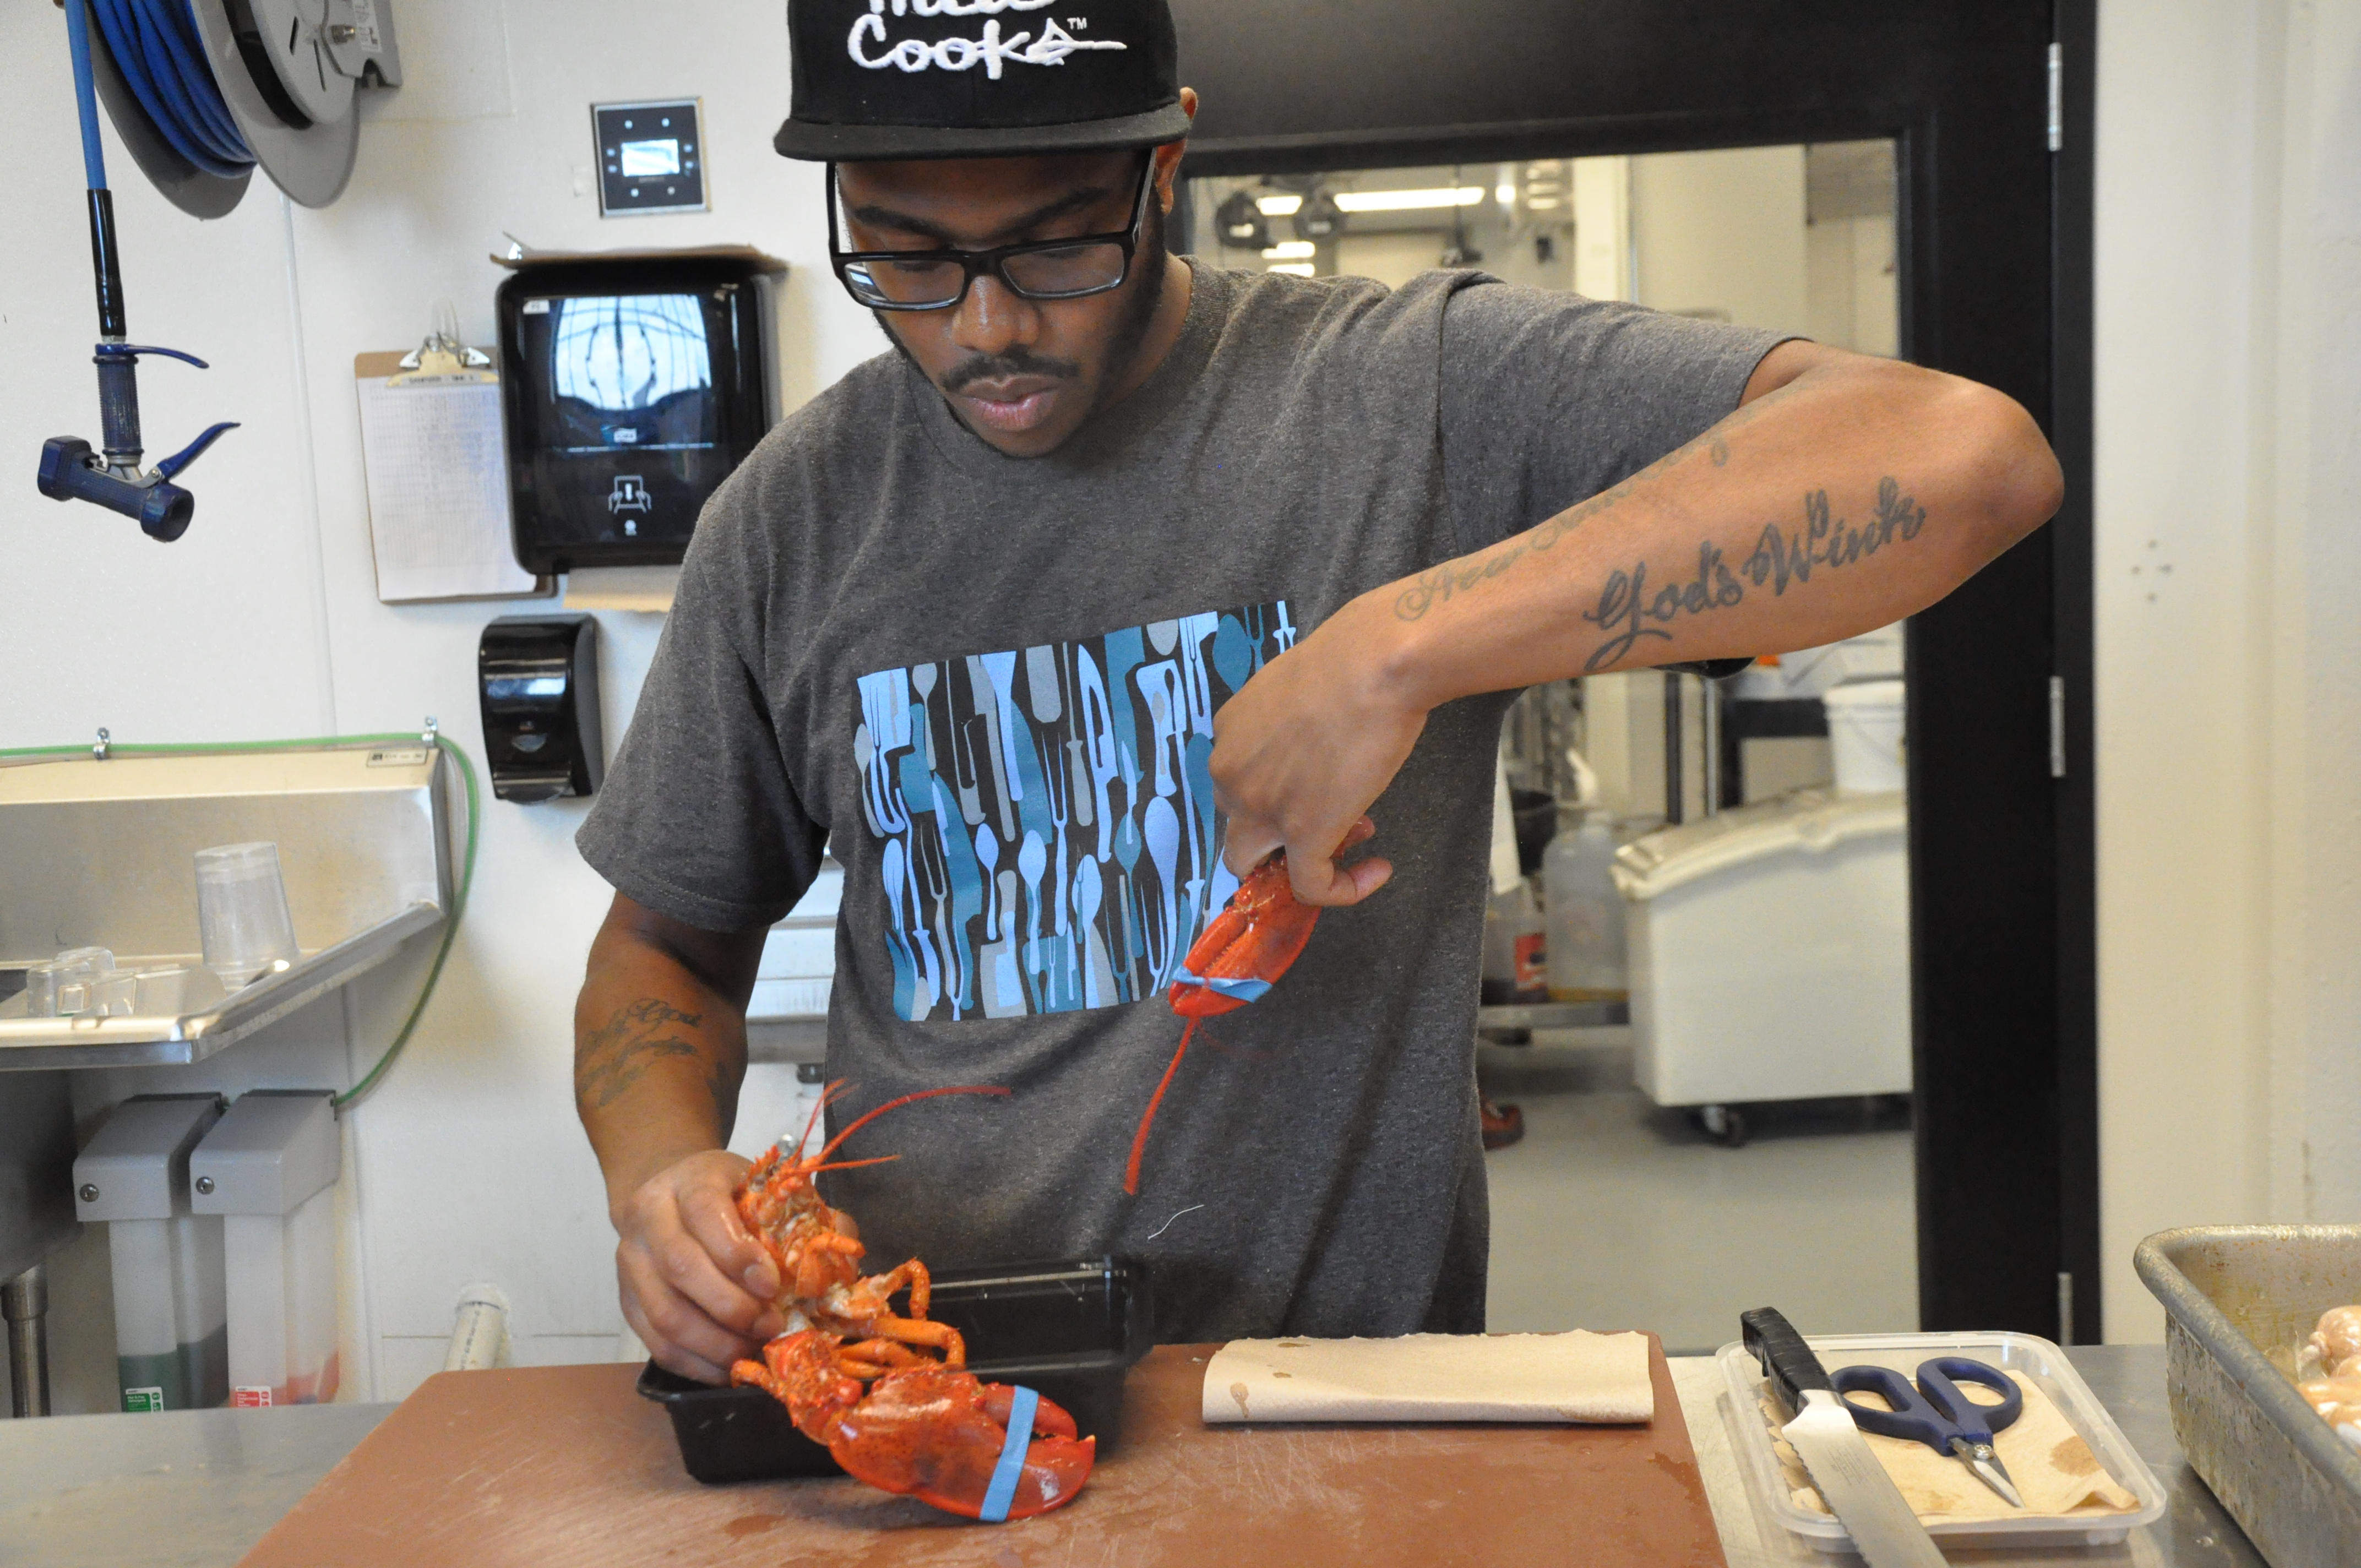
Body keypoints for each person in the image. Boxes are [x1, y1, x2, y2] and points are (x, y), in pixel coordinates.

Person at [573, 0, 2064, 1385]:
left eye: (1057, 245)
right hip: (917, 1379)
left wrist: (1399, 644)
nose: (988, 328)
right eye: (903, 254)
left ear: (1164, 166)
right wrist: (659, 1179)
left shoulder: (1411, 393)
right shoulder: (793, 520)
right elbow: (663, 949)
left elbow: (1966, 460)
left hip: (1342, 1399)